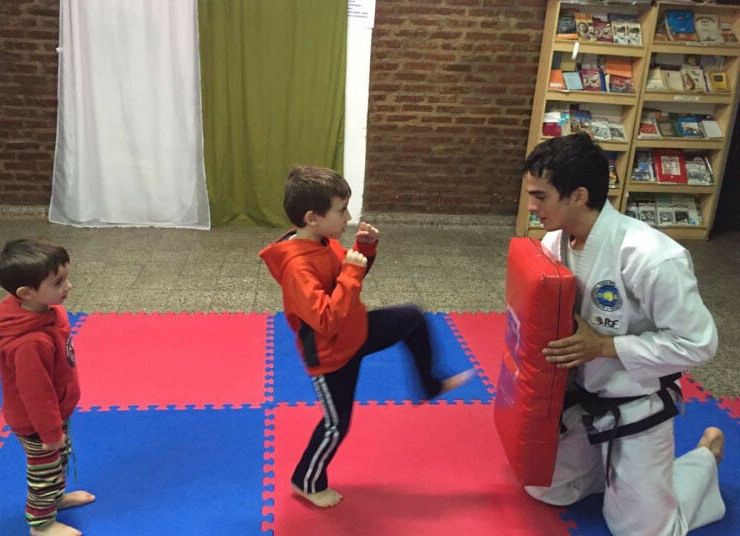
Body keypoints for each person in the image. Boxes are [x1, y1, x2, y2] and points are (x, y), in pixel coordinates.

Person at [521, 133, 725, 535]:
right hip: (581, 400)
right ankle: (622, 475)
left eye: (540, 196)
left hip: (635, 402)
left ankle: (704, 456)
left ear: (579, 196)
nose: (531, 206)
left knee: (644, 532)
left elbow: (700, 344)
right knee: (545, 488)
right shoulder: (553, 242)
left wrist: (603, 346)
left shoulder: (651, 257)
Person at [259, 165, 472, 508]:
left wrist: (364, 250)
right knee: (336, 424)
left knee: (411, 318)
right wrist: (353, 270)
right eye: (341, 210)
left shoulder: (323, 242)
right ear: (313, 218)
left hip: (355, 331)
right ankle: (306, 481)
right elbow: (326, 319)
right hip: (330, 353)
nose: (348, 217)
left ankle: (429, 384)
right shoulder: (297, 267)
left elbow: (347, 280)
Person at [0, 239, 94, 536]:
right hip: (37, 422)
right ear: (26, 293)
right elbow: (36, 394)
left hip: (55, 411)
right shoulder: (29, 343)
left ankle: (56, 499)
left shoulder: (46, 309)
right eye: (58, 282)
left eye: (66, 277)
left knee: (59, 458)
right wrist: (49, 432)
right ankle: (41, 524)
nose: (68, 286)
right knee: (43, 472)